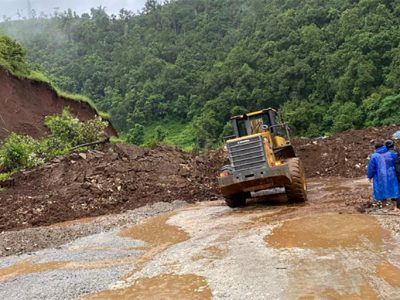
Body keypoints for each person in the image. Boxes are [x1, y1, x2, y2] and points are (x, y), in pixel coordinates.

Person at [368, 142, 399, 209]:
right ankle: (394, 206)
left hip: (380, 176)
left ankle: (384, 207)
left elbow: (371, 167)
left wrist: (370, 176)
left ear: (376, 148)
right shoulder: (391, 154)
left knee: (381, 190)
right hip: (391, 175)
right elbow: (397, 163)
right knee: (393, 189)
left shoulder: (374, 156)